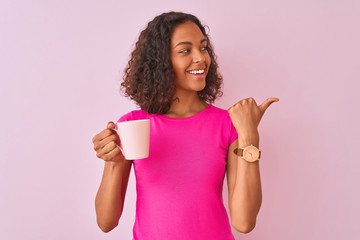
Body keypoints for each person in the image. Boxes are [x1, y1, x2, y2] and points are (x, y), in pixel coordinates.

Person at [92, 11, 279, 240]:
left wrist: (249, 136)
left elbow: (244, 222)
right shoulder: (132, 125)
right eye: (185, 50)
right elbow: (106, 222)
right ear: (161, 62)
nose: (200, 58)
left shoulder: (227, 124)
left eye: (203, 47)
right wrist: (113, 162)